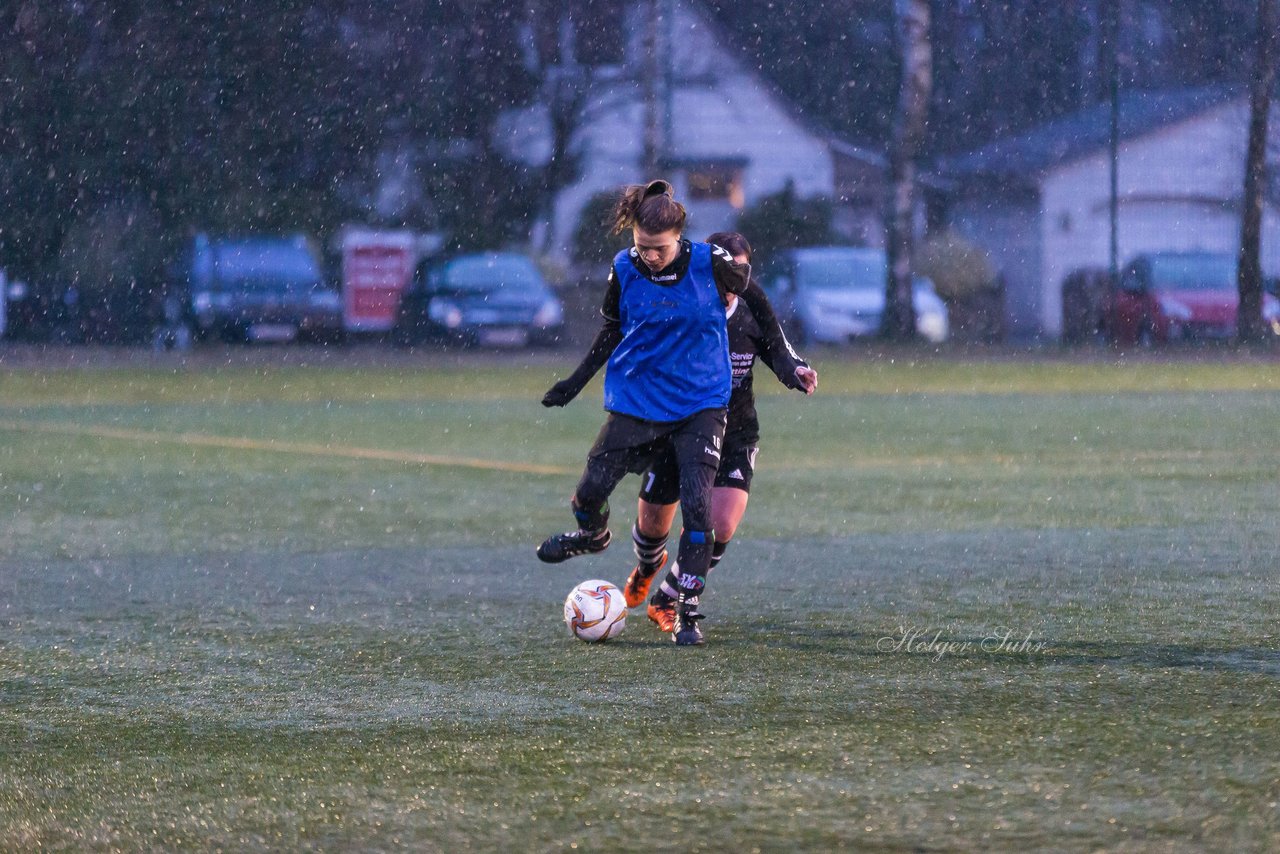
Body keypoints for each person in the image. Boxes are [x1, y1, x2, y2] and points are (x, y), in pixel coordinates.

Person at [543, 231, 816, 634]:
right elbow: (623, 332)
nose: (733, 282)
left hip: (734, 434)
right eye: (727, 272)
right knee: (653, 526)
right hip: (678, 428)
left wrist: (795, 371)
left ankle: (668, 599)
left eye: (742, 272)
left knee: (716, 525)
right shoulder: (685, 305)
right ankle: (647, 566)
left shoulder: (750, 313)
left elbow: (778, 349)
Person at [537, 180, 750, 646]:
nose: (649, 256)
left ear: (680, 237)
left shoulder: (710, 263)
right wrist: (574, 384)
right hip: (638, 402)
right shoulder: (624, 268)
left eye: (658, 248)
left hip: (700, 404)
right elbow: (611, 330)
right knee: (588, 494)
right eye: (641, 246)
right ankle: (592, 537)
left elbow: (752, 296)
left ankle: (686, 612)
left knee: (697, 511)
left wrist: (787, 359)